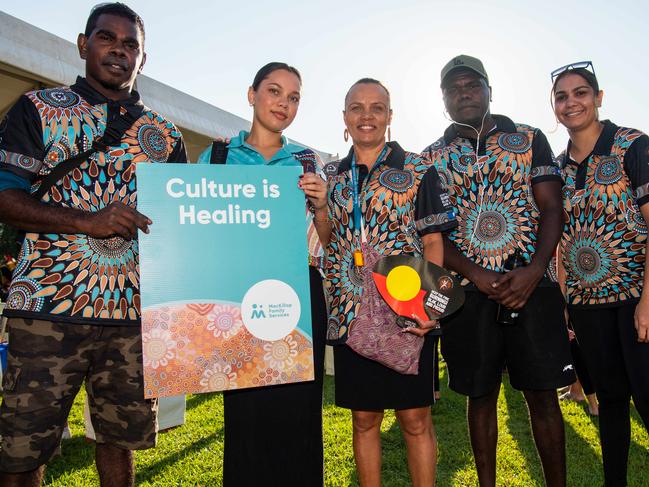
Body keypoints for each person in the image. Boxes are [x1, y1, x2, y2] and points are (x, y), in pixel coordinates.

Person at [0, 3, 187, 486]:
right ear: (84, 45)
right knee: (24, 450)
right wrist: (88, 221)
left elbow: (183, 224)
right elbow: (4, 197)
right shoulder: (38, 109)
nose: (118, 51)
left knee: (119, 444)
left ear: (143, 59)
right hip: (47, 310)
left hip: (132, 318)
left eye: (131, 45)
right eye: (107, 39)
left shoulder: (165, 138)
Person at [421, 55, 575, 487]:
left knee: (543, 396)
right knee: (480, 394)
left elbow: (551, 207)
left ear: (490, 90)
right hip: (469, 294)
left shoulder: (528, 138)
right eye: (454, 88)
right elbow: (434, 233)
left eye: (472, 85)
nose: (464, 93)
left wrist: (533, 271)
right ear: (443, 99)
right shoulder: (431, 157)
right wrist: (477, 274)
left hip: (534, 287)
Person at [197, 62, 329, 487]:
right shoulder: (217, 157)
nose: (283, 104)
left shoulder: (308, 162)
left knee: (300, 415)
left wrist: (323, 206)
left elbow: (329, 243)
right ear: (251, 94)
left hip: (299, 297)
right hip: (238, 297)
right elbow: (195, 229)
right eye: (274, 91)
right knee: (246, 417)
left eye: (293, 98)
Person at [325, 78, 457, 487]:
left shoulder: (418, 169)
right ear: (345, 117)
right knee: (364, 419)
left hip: (406, 310)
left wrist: (430, 308)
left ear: (389, 117)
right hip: (350, 311)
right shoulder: (331, 174)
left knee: (415, 419)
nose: (367, 115)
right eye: (357, 107)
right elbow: (327, 239)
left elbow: (434, 241)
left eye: (377, 107)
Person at [551, 61, 649, 487]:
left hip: (635, 299)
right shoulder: (556, 169)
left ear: (599, 97)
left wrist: (648, 300)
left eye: (580, 93)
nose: (571, 103)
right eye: (561, 96)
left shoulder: (631, 146)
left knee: (647, 398)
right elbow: (560, 239)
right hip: (588, 306)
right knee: (610, 400)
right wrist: (567, 301)